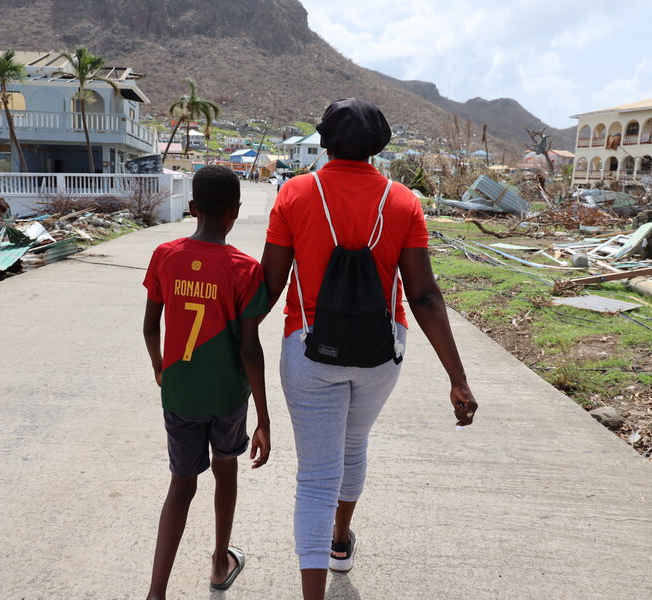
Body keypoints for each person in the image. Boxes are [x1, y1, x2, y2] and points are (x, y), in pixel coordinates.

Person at [261, 98, 477, 600]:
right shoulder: (403, 202)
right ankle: (341, 543)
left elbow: (269, 287)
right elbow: (424, 295)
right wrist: (458, 379)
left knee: (316, 477)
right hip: (381, 352)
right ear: (379, 146)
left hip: (309, 348)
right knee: (353, 444)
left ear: (325, 141)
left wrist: (231, 335)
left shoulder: (295, 194)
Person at [143, 164, 271, 599]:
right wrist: (265, 419)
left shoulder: (165, 256)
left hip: (179, 392)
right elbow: (250, 349)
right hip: (227, 395)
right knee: (226, 468)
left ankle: (156, 592)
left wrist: (161, 367)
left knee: (181, 484)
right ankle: (219, 562)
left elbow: (149, 327)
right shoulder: (244, 268)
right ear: (235, 212)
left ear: (193, 207)